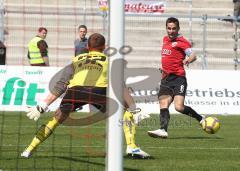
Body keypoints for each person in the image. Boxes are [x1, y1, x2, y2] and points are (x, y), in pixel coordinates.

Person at [21, 33, 150, 159]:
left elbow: (61, 85)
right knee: (126, 113)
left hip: (76, 92)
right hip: (98, 91)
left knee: (56, 119)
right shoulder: (110, 61)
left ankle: (28, 149)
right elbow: (120, 86)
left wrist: (43, 105)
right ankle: (132, 146)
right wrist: (133, 108)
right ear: (104, 47)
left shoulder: (76, 60)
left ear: (87, 47)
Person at [147, 17, 205, 138]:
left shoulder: (182, 42)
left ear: (178, 28)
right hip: (166, 78)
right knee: (163, 103)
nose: (171, 31)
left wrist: (189, 60)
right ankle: (163, 130)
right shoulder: (165, 39)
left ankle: (200, 118)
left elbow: (193, 55)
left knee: (179, 107)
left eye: (174, 28)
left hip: (178, 78)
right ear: (166, 28)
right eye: (169, 28)